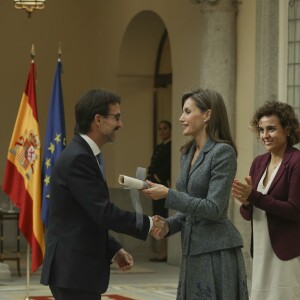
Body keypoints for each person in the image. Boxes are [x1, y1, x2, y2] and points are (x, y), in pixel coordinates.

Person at [40, 89, 162, 300]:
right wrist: (149, 224)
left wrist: (113, 249)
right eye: (116, 117)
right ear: (97, 119)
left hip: (75, 271)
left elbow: (86, 216)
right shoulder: (80, 158)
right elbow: (103, 212)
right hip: (74, 271)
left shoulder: (84, 154)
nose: (120, 124)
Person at [143, 88, 249, 299]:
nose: (181, 118)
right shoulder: (186, 153)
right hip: (191, 251)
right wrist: (168, 225)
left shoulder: (223, 152)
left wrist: (168, 195)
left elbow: (214, 209)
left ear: (207, 114)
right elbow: (190, 210)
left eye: (187, 111)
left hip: (216, 252)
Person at [232, 100, 300, 300]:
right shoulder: (259, 162)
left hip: (287, 250)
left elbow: (294, 210)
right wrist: (245, 202)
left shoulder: (296, 161)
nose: (265, 136)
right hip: (262, 249)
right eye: (261, 130)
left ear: (287, 129)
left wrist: (253, 196)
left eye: (271, 129)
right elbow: (248, 214)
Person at [147, 120, 171, 262]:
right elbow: (152, 164)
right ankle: (161, 252)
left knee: (164, 218)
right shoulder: (159, 147)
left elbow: (167, 166)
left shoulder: (170, 146)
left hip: (162, 186)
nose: (162, 131)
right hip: (154, 186)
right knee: (157, 217)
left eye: (165, 128)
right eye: (160, 129)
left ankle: (164, 252)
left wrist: (157, 176)